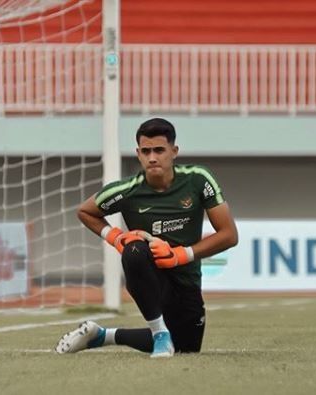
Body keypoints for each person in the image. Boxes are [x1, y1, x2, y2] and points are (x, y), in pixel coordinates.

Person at [55, 118, 238, 358]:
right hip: (151, 282)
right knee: (134, 249)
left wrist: (180, 255)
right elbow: (85, 211)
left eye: (159, 150)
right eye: (146, 151)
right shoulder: (127, 190)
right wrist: (116, 237)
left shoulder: (198, 179)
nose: (152, 157)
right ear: (138, 154)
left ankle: (101, 335)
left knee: (186, 347)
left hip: (186, 282)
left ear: (174, 152)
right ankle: (159, 332)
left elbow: (229, 235)